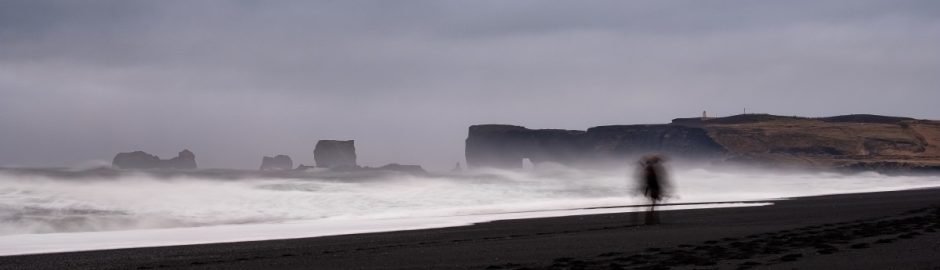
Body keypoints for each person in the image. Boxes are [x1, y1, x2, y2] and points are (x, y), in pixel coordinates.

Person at [635, 155, 671, 225]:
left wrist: (646, 190)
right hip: (654, 188)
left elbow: (649, 181)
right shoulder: (651, 169)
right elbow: (652, 181)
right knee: (653, 205)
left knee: (652, 204)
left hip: (653, 188)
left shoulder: (649, 169)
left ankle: (651, 220)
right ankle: (651, 220)